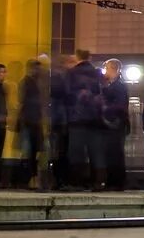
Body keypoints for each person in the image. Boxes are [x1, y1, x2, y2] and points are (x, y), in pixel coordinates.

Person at [65, 50, 102, 190]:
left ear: (77, 57)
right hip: (94, 118)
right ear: (89, 57)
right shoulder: (97, 73)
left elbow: (67, 94)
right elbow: (100, 93)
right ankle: (95, 181)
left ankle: (77, 182)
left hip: (76, 117)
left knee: (76, 150)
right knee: (94, 150)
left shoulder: (72, 73)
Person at [100, 59, 129, 191]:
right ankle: (113, 180)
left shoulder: (119, 86)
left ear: (114, 69)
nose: (105, 71)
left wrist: (105, 108)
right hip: (113, 123)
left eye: (107, 68)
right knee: (110, 153)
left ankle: (116, 182)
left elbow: (120, 105)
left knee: (115, 153)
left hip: (115, 123)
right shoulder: (112, 85)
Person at [15, 59, 43, 188]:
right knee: (29, 150)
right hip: (29, 121)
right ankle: (30, 179)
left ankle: (31, 178)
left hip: (32, 120)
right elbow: (21, 102)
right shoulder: (28, 82)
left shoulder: (29, 82)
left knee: (31, 150)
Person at [48, 54, 72, 190]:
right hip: (62, 120)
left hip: (59, 120)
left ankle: (59, 180)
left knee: (59, 151)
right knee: (61, 151)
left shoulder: (56, 77)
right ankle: (60, 180)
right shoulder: (62, 77)